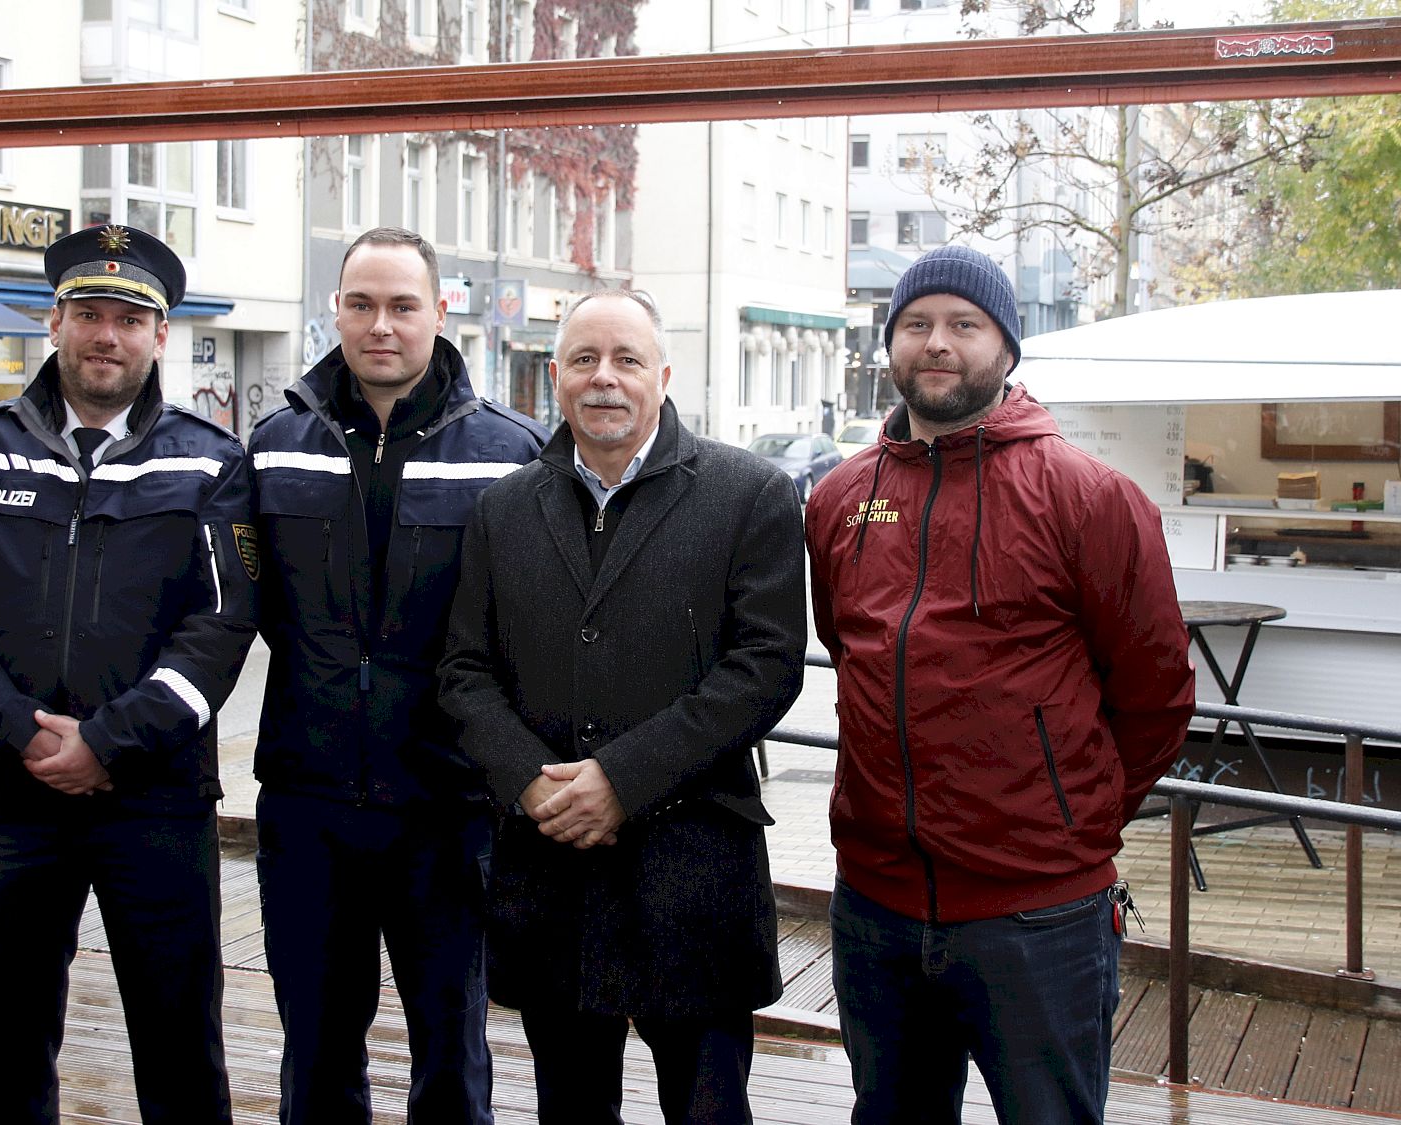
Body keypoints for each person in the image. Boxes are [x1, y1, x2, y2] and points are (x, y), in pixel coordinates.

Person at [803, 245, 1196, 1124]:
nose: (936, 343)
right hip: (876, 904)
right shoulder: (839, 500)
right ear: (891, 345)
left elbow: (1156, 693)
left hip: (1039, 914)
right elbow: (849, 648)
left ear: (1008, 349)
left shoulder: (1088, 497)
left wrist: (1073, 817)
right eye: (916, 325)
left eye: (963, 325)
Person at [0, 223, 257, 1124]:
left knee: (181, 1047)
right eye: (90, 314)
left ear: (160, 335)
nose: (108, 335)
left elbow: (220, 626)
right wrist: (18, 730)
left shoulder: (209, 462)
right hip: (10, 794)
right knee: (11, 1050)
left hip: (156, 798)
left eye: (130, 319)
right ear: (55, 321)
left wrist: (108, 741)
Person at [439, 288, 807, 1124]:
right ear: (556, 376)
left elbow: (766, 666)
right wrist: (531, 781)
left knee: (709, 1110)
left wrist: (623, 778)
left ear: (663, 374)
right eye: (583, 360)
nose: (604, 379)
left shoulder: (749, 493)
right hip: (551, 870)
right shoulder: (503, 508)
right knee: (569, 1109)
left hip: (693, 871)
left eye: (627, 360)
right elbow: (464, 671)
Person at [248, 226, 546, 1124]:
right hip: (309, 799)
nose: (382, 325)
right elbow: (247, 605)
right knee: (317, 1044)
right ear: (334, 311)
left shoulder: (513, 454)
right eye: (361, 304)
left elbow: (528, 632)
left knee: (451, 1049)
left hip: (447, 808)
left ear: (439, 313)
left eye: (403, 305)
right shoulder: (273, 447)